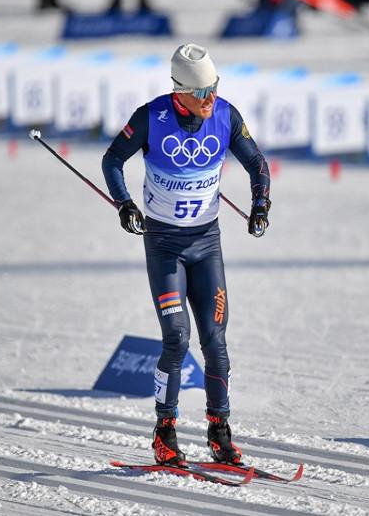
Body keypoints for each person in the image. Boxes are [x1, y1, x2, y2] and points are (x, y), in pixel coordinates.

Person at [101, 43, 271, 466]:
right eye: (201, 93)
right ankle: (165, 432)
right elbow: (111, 160)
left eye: (213, 89)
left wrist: (260, 205)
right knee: (177, 338)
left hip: (206, 244)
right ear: (179, 91)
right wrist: (125, 205)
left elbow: (258, 164)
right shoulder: (151, 117)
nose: (209, 100)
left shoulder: (225, 115)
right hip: (164, 246)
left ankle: (219, 431)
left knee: (216, 341)